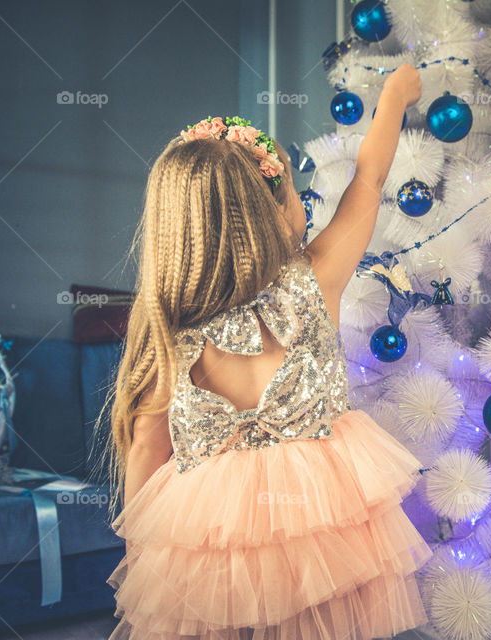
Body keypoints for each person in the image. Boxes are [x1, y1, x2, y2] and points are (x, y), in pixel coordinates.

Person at [103, 64, 431, 639]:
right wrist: (396, 94)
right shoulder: (316, 277)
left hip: (207, 534)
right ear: (275, 214)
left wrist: (146, 558)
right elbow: (369, 178)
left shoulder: (168, 326)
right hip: (320, 522)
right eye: (294, 196)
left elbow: (146, 449)